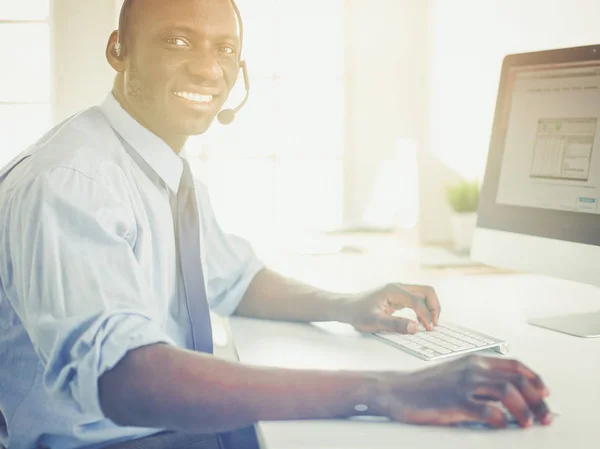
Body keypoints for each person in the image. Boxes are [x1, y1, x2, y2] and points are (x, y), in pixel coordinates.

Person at [0, 0, 552, 448]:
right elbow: (126, 379)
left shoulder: (154, 166)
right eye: (177, 41)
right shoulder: (75, 182)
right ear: (118, 51)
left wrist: (347, 304)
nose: (206, 67)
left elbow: (236, 278)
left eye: (225, 49)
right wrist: (388, 389)